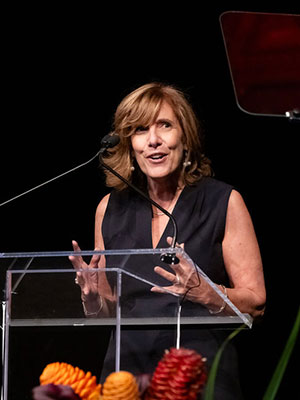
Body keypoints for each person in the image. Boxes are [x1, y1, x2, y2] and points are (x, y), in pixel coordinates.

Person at [69, 82, 266, 399]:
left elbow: (256, 303)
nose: (154, 141)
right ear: (129, 144)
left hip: (196, 377)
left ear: (184, 137)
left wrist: (207, 293)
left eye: (165, 126)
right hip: (126, 380)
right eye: (140, 130)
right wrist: (92, 301)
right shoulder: (109, 208)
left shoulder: (223, 202)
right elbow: (109, 311)